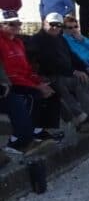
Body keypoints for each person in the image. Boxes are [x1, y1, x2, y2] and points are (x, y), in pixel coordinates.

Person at [0, 10, 61, 151]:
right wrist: (36, 86)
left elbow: (26, 68)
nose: (17, 26)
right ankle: (17, 140)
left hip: (21, 81)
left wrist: (38, 81)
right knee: (33, 96)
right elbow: (8, 74)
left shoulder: (18, 42)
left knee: (53, 90)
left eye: (18, 23)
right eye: (12, 24)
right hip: (11, 83)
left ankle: (38, 131)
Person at [28, 12, 89, 126]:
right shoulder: (37, 40)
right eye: (52, 24)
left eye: (58, 25)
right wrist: (73, 71)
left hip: (64, 73)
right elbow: (47, 62)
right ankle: (78, 116)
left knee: (82, 78)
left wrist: (85, 68)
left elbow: (73, 57)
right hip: (47, 75)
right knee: (60, 82)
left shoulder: (60, 39)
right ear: (44, 23)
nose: (55, 27)